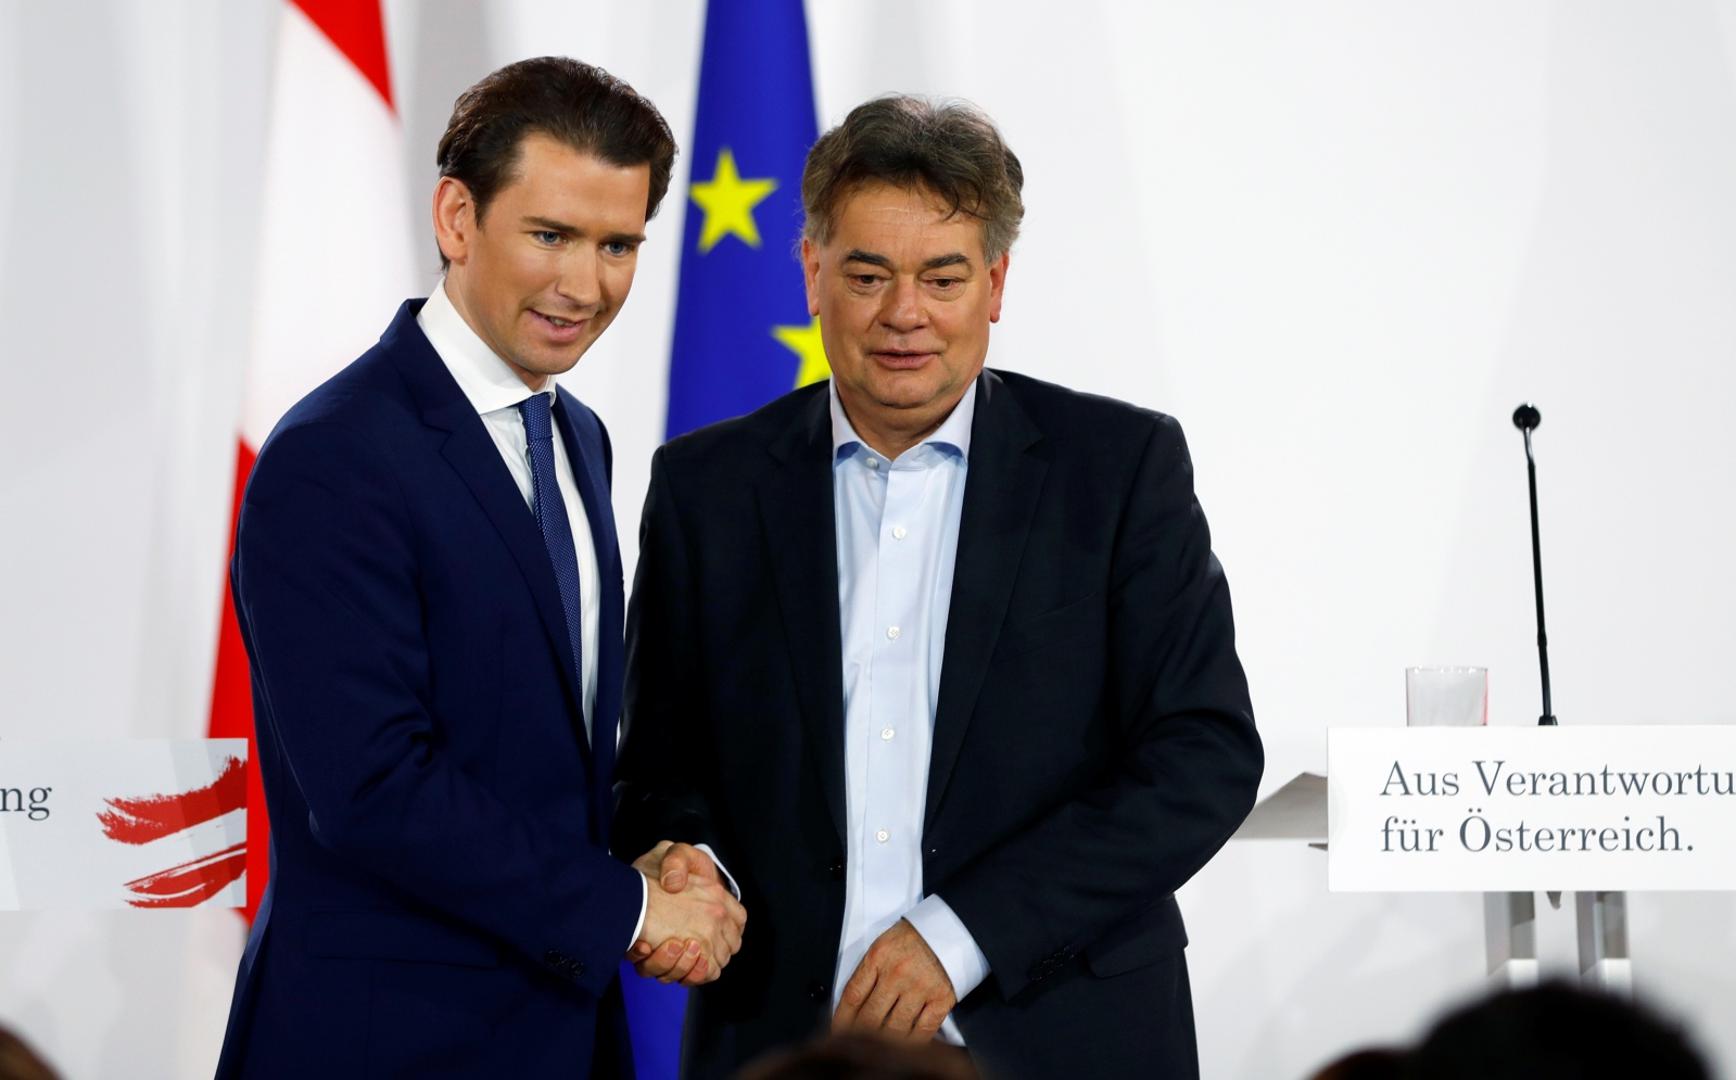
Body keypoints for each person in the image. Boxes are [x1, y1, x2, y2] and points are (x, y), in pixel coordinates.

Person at [613, 95, 1263, 1079]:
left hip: (1062, 1039)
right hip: (784, 1048)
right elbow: (659, 770)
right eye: (867, 275)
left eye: (943, 277)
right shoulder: (707, 487)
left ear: (994, 284)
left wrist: (963, 934)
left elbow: (1201, 757)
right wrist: (685, 857)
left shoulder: (1118, 470)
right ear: (811, 274)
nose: (903, 314)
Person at [213, 57, 744, 1078]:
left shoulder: (579, 436)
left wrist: (658, 857)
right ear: (457, 219)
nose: (584, 285)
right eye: (550, 235)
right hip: (381, 1043)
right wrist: (630, 909)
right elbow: (374, 788)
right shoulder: (335, 454)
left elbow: (547, 754)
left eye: (617, 245)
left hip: (559, 1032)